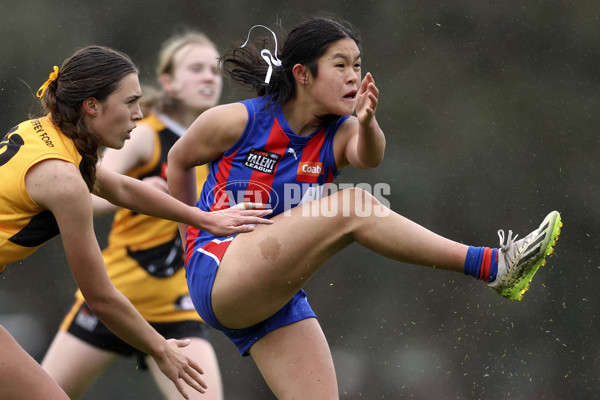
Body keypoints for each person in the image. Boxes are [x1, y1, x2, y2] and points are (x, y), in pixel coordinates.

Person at [167, 16, 563, 399]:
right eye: (340, 65)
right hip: (219, 268)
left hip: (268, 290)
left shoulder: (342, 132)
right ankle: (492, 265)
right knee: (354, 204)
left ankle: (496, 269)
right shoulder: (239, 121)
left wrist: (369, 122)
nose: (353, 76)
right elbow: (180, 160)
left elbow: (368, 156)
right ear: (303, 74)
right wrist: (192, 237)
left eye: (357, 65)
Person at [0, 45, 272, 400]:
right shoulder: (63, 180)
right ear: (91, 105)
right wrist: (161, 349)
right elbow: (100, 298)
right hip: (122, 303)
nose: (139, 114)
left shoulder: (45, 133)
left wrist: (204, 218)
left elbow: (124, 189)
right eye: (130, 102)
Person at [41, 32, 225, 400]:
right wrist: (143, 197)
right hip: (115, 297)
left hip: (176, 306)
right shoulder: (142, 134)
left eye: (215, 70)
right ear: (169, 81)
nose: (209, 77)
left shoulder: (220, 142)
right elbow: (87, 193)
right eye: (196, 68)